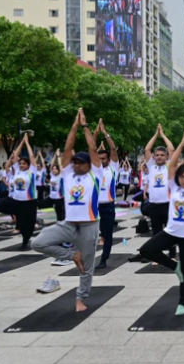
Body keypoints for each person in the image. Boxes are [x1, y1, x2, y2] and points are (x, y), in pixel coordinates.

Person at [32, 109, 102, 311]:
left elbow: (93, 149)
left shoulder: (95, 175)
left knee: (87, 268)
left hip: (89, 225)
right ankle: (72, 256)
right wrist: (74, 125)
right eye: (75, 163)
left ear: (89, 165)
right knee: (38, 242)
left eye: (81, 163)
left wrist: (86, 126)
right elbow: (68, 148)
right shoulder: (68, 175)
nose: (77, 166)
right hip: (68, 225)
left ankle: (80, 299)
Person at [139, 130, 184, 315]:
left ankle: (182, 303)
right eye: (182, 177)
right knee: (146, 250)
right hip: (171, 231)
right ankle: (173, 266)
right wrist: (180, 146)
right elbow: (173, 164)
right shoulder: (173, 186)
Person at [143, 124, 176, 261]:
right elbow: (147, 149)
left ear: (166, 157)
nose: (159, 157)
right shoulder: (151, 166)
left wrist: (162, 135)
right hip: (154, 205)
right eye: (157, 155)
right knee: (156, 232)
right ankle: (158, 257)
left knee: (170, 231)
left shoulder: (169, 165)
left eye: (162, 155)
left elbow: (172, 149)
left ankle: (172, 255)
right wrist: (155, 135)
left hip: (168, 204)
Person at [94, 119, 120, 269]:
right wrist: (96, 133)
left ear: (109, 159)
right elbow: (91, 148)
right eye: (99, 158)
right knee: (91, 235)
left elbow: (113, 150)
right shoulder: (93, 169)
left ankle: (104, 259)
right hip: (94, 206)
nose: (101, 160)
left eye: (103, 158)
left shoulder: (113, 168)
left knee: (107, 234)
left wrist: (105, 133)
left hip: (108, 206)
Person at [9, 133, 38, 250]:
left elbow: (31, 157)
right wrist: (22, 142)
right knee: (1, 206)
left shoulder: (32, 171)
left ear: (28, 165)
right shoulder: (17, 171)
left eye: (23, 164)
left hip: (29, 201)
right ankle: (23, 235)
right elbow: (15, 156)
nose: (21, 165)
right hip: (17, 200)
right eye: (20, 163)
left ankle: (26, 240)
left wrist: (28, 143)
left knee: (28, 223)